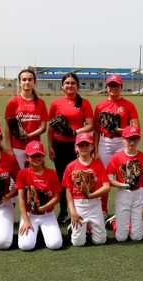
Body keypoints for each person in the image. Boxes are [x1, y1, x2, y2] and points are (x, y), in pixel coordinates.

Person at [48, 72, 94, 224]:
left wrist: (75, 132)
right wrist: (49, 146)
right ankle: (63, 211)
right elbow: (51, 127)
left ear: (77, 85)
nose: (70, 85)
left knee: (77, 177)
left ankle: (79, 208)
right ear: (62, 85)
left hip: (78, 145)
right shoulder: (56, 103)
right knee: (62, 179)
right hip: (59, 145)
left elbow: (90, 125)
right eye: (67, 83)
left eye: (73, 83)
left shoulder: (84, 103)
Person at [93, 74, 139, 218]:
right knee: (104, 177)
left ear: (121, 87)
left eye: (116, 85)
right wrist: (95, 149)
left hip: (122, 142)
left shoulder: (128, 105)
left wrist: (117, 129)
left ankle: (125, 210)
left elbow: (135, 128)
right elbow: (95, 129)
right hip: (104, 142)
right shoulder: (100, 106)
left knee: (126, 175)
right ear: (106, 87)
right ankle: (103, 210)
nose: (113, 88)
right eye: (110, 85)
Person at [62, 133, 111, 247]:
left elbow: (107, 187)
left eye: (86, 145)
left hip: (94, 204)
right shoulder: (71, 166)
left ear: (92, 147)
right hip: (79, 204)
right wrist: (73, 212)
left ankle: (88, 226)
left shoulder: (98, 164)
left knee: (100, 241)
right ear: (76, 148)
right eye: (81, 145)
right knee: (78, 243)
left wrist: (91, 195)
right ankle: (76, 227)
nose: (84, 147)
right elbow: (68, 191)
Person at [105, 125, 143, 242]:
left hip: (139, 194)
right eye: (129, 139)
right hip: (123, 193)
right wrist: (123, 185)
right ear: (123, 139)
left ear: (139, 139)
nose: (132, 142)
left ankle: (136, 225)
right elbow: (109, 179)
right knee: (121, 238)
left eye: (135, 139)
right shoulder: (116, 157)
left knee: (137, 237)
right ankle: (113, 222)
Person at [15, 141, 62, 251]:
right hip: (30, 214)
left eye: (39, 155)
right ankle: (37, 232)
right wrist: (26, 220)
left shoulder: (51, 173)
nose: (36, 158)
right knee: (25, 246)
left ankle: (40, 232)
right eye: (33, 156)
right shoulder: (23, 173)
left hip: (47, 213)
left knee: (55, 245)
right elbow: (21, 199)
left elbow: (57, 197)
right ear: (27, 157)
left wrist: (44, 208)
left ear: (43, 155)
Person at [4, 69, 49, 168]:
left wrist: (29, 135)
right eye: (24, 80)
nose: (27, 82)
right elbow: (8, 128)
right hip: (17, 147)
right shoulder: (12, 102)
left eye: (30, 79)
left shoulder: (40, 103)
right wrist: (9, 148)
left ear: (34, 82)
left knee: (34, 176)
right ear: (19, 82)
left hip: (35, 147)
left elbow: (43, 127)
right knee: (17, 178)